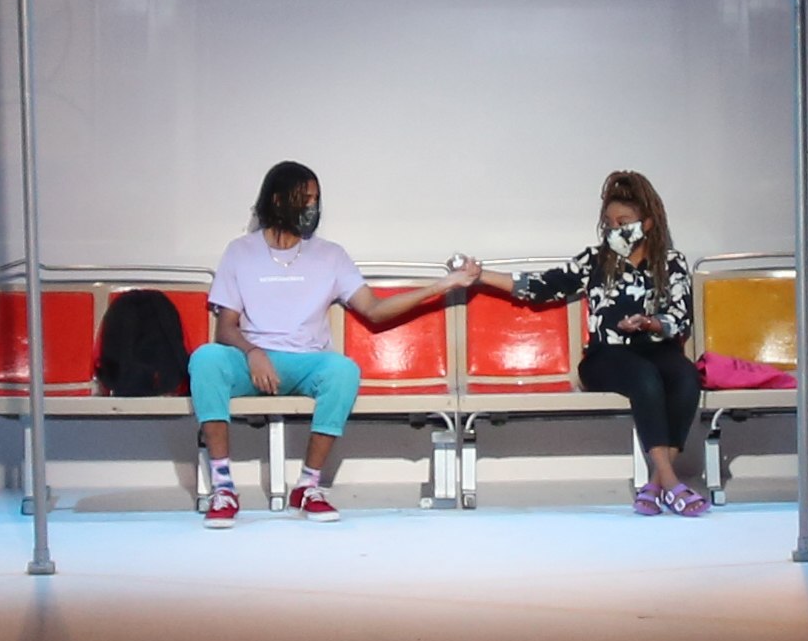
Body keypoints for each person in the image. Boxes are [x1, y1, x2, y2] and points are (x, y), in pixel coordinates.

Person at [194, 160, 478, 528]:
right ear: (278, 199)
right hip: (252, 361)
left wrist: (445, 284)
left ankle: (308, 486)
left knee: (343, 370)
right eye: (305, 199)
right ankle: (223, 488)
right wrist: (253, 352)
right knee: (206, 359)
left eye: (316, 200)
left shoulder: (330, 255)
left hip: (306, 361)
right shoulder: (240, 252)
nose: (312, 207)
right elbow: (226, 329)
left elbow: (374, 309)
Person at [471, 170, 709, 516]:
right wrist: (479, 275)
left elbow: (680, 316)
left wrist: (649, 323)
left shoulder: (671, 263)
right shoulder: (595, 260)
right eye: (609, 224)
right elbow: (542, 286)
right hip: (606, 356)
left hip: (658, 350)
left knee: (686, 377)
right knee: (645, 379)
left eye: (623, 222)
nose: (615, 230)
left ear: (647, 223)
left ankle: (655, 484)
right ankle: (671, 483)